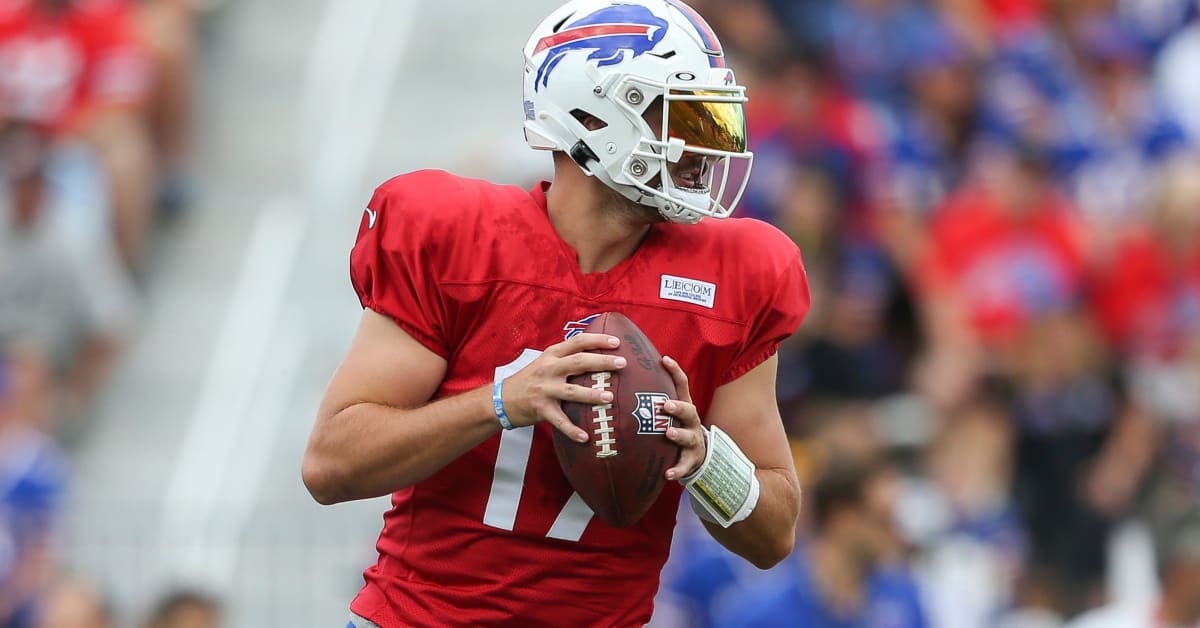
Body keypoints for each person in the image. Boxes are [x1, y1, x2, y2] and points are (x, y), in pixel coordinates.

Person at [301, 1, 810, 625]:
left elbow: (776, 532)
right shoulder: (457, 236)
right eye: (684, 116)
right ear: (596, 115)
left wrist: (706, 459)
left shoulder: (736, 274)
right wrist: (502, 402)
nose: (705, 146)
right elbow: (331, 464)